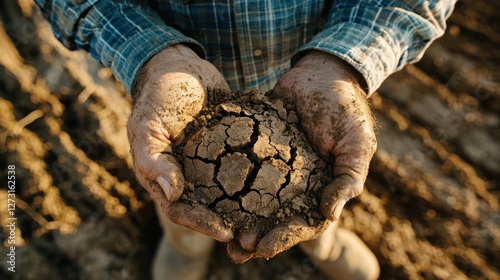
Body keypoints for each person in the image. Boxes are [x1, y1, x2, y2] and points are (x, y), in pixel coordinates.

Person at [35, 0, 456, 279]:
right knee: (175, 187)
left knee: (319, 192)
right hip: (181, 84)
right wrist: (150, 54)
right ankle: (185, 247)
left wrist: (340, 66)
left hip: (308, 80)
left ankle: (323, 244)